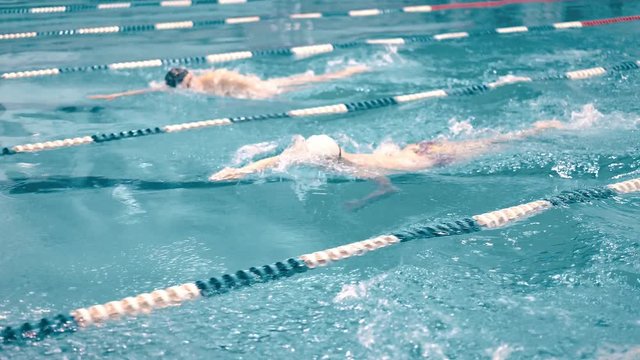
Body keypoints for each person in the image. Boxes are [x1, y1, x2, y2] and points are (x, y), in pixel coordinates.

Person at [209, 119, 567, 209]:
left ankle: (538, 130)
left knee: (495, 142)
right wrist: (238, 171)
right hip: (415, 150)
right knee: (485, 138)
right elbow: (280, 157)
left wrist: (360, 201)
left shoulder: (353, 169)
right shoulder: (325, 154)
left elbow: (388, 186)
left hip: (430, 160)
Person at [88, 65, 369, 100]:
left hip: (259, 89)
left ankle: (351, 72)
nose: (190, 87)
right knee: (305, 80)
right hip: (257, 85)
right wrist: (115, 95)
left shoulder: (209, 79)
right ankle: (348, 71)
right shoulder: (188, 83)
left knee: (307, 84)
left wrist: (268, 95)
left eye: (188, 83)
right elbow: (154, 88)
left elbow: (234, 83)